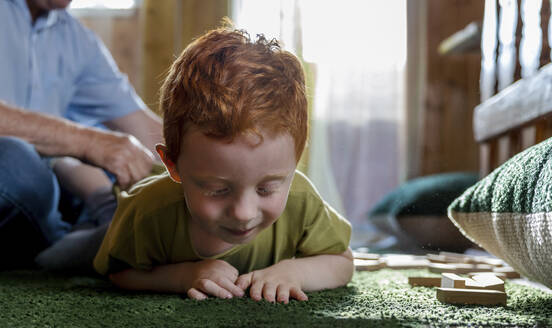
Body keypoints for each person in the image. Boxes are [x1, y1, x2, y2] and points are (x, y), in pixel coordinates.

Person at [93, 26, 354, 303]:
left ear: (295, 159)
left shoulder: (302, 200)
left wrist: (295, 272)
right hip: (117, 214)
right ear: (173, 165)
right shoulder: (147, 212)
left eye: (266, 189)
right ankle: (75, 174)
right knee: (71, 245)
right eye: (217, 190)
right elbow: (120, 273)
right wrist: (185, 275)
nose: (243, 213)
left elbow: (342, 261)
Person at [0, 0, 162, 269]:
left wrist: (225, 168)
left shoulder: (77, 38)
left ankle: (99, 225)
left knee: (124, 160)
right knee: (15, 158)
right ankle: (71, 242)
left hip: (46, 191)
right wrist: (86, 142)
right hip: (18, 178)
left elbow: (144, 129)